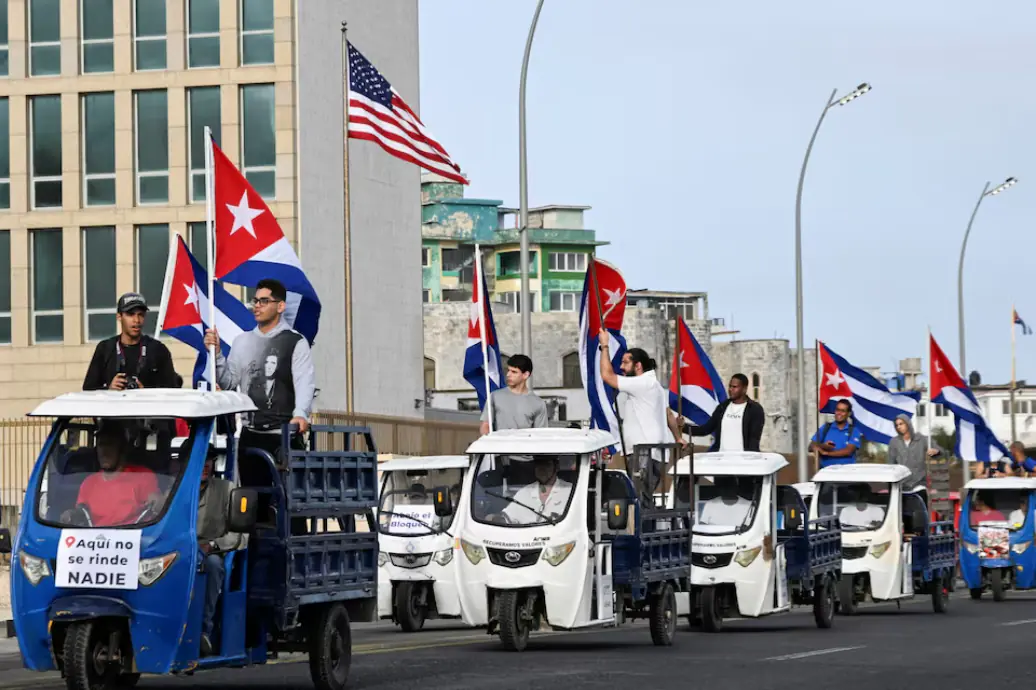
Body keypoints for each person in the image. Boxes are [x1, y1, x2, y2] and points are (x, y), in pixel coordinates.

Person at [203, 279, 315, 482]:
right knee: (250, 501)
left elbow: (304, 382)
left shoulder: (295, 341)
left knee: (286, 503)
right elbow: (228, 382)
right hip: (250, 434)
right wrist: (217, 354)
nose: (257, 306)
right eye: (255, 301)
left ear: (280, 306)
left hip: (284, 435)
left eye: (264, 301)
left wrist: (300, 414)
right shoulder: (242, 341)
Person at [596, 333, 685, 494]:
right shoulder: (654, 385)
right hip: (650, 453)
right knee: (642, 500)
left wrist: (604, 346)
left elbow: (607, 376)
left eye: (625, 363)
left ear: (638, 366)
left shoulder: (643, 383)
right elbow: (668, 415)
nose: (621, 367)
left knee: (639, 502)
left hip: (645, 453)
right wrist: (678, 437)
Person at [83, 292, 179, 391]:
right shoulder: (105, 349)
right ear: (119, 316)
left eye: (140, 315)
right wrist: (109, 389)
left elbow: (172, 391)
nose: (136, 320)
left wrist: (146, 392)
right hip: (114, 406)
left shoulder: (158, 349)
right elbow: (88, 391)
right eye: (130, 314)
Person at [70, 422, 160, 527]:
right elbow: (81, 512)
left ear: (123, 449)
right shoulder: (89, 483)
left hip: (134, 538)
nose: (104, 451)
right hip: (95, 539)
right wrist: (72, 514)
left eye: (110, 444)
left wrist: (159, 502)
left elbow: (156, 506)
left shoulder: (143, 476)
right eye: (101, 445)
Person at [198, 452, 241, 656]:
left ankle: (203, 631)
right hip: (179, 550)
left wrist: (213, 545)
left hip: (213, 552)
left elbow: (238, 534)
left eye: (209, 460)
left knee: (213, 565)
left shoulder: (227, 490)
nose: (205, 465)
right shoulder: (176, 488)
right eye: (200, 458)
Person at [683, 374, 765, 452]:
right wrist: (682, 427)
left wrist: (751, 461)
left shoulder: (755, 409)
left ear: (744, 389)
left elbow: (754, 440)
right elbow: (705, 429)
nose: (730, 389)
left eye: (734, 387)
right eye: (730, 386)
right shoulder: (722, 407)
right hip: (722, 459)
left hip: (743, 461)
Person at [479, 354, 548, 434]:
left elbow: (540, 434)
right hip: (500, 445)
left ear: (525, 375)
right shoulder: (495, 396)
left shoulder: (538, 403)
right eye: (508, 370)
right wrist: (489, 441)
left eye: (514, 372)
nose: (508, 375)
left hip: (524, 445)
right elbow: (485, 425)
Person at [887, 414, 943, 503]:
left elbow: (940, 451)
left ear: (908, 424)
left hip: (919, 484)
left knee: (920, 513)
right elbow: (891, 464)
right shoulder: (894, 442)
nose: (899, 427)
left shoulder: (922, 439)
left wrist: (936, 452)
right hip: (901, 486)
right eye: (897, 425)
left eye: (901, 424)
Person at [504, 456, 572, 522]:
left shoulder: (570, 491)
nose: (542, 468)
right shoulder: (524, 492)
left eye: (546, 464)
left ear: (556, 467)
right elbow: (506, 517)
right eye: (538, 464)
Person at [810, 400, 863, 468]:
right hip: (825, 472)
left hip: (847, 472)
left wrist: (826, 453)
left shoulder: (854, 430)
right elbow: (811, 446)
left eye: (843, 411)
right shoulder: (826, 427)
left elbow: (848, 451)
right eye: (837, 410)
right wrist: (823, 446)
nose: (839, 413)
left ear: (849, 413)